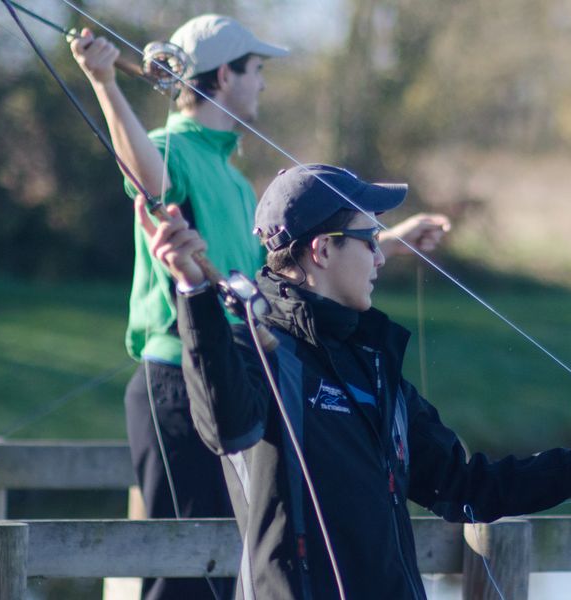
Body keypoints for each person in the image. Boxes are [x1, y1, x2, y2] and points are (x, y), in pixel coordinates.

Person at [137, 163, 571, 600]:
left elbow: (465, 487)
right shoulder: (256, 351)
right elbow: (227, 428)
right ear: (321, 251)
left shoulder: (372, 361)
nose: (382, 256)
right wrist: (191, 289)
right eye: (369, 240)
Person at [71, 15, 451, 600]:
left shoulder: (235, 179)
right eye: (257, 70)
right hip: (178, 382)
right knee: (185, 578)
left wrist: (389, 241)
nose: (264, 83)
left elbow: (282, 274)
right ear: (225, 75)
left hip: (239, 377)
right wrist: (105, 84)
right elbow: (148, 181)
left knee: (229, 566)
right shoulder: (172, 148)